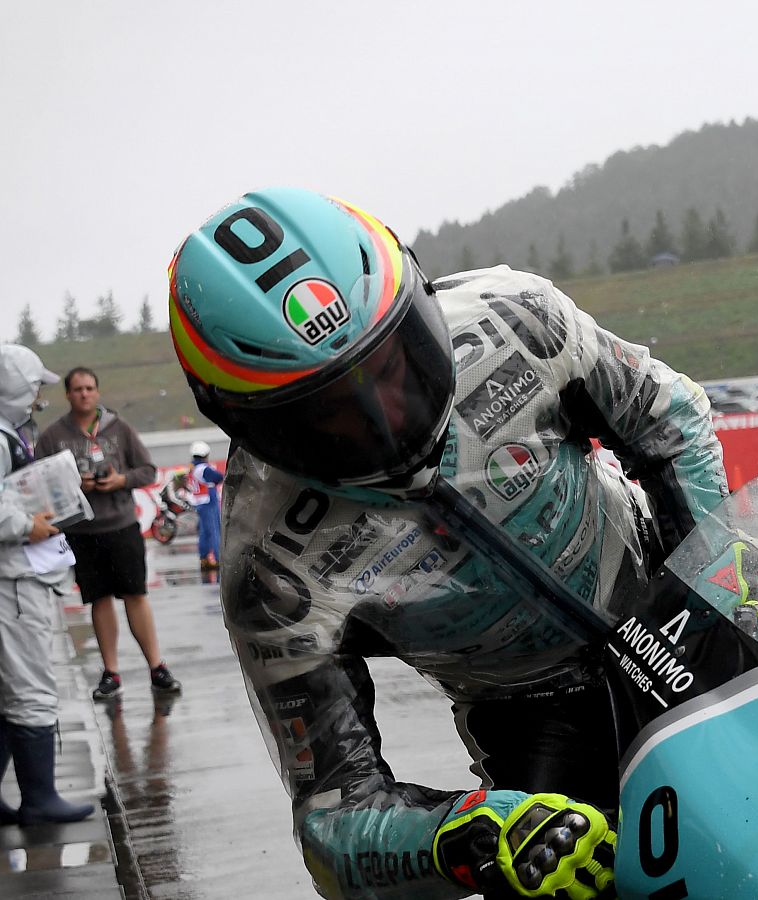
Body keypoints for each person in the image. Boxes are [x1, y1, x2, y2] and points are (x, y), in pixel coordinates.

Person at [167, 187, 728, 900]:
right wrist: (472, 835)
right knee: (555, 873)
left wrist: (712, 582)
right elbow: (335, 823)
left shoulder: (515, 317)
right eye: (330, 411)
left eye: (395, 363)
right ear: (247, 421)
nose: (385, 412)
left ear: (421, 299)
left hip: (674, 611)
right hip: (529, 715)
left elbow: (671, 420)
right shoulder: (270, 567)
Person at [36, 368, 182, 701]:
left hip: (121, 525)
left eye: (89, 388)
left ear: (97, 393)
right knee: (98, 600)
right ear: (68, 395)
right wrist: (74, 485)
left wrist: (120, 481)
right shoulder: (54, 436)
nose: (84, 394)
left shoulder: (120, 429)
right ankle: (111, 672)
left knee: (135, 595)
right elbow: (39, 482)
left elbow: (147, 470)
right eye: (77, 389)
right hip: (82, 531)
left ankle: (157, 667)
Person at [0, 344, 96, 826]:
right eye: (33, 384)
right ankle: (39, 796)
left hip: (15, 576)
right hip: (12, 582)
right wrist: (26, 524)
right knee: (30, 684)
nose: (39, 393)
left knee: (7, 689)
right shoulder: (1, 436)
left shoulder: (9, 433)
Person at [186, 440, 224, 568]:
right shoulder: (204, 469)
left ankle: (204, 558)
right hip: (209, 502)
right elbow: (219, 477)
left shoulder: (192, 468)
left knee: (205, 532)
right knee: (214, 531)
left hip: (199, 503)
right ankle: (219, 558)